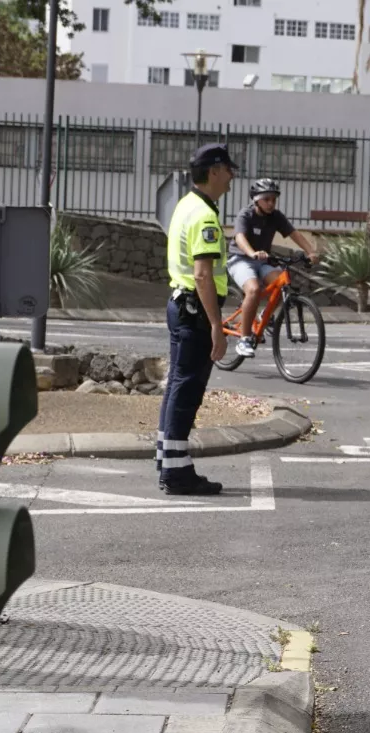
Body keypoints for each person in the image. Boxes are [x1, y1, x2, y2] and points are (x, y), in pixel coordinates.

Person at [156, 143, 237, 495]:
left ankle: (168, 460)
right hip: (196, 311)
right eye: (228, 170)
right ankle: (177, 473)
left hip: (181, 304)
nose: (232, 177)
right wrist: (217, 326)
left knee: (177, 386)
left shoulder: (186, 205)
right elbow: (203, 275)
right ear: (214, 171)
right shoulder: (205, 216)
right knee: (186, 391)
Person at [228, 178, 321, 357]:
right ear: (256, 200)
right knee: (253, 290)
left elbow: (294, 234)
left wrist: (310, 252)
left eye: (274, 199)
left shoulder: (276, 216)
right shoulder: (246, 214)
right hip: (240, 259)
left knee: (282, 284)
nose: (271, 203)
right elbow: (240, 238)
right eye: (267, 199)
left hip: (264, 261)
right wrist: (252, 253)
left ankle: (264, 316)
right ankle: (244, 339)